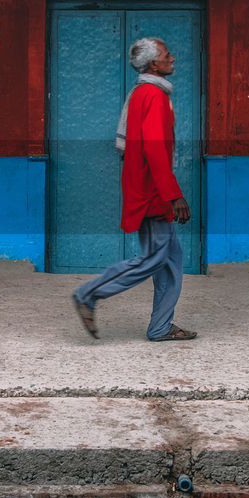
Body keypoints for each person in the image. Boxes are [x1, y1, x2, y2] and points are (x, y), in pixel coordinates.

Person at [71, 37, 197, 342]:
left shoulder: (145, 93)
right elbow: (154, 150)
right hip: (152, 193)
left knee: (170, 260)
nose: (173, 59)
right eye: (168, 55)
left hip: (151, 189)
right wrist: (173, 194)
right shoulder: (152, 96)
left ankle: (160, 326)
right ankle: (88, 293)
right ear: (154, 64)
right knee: (154, 258)